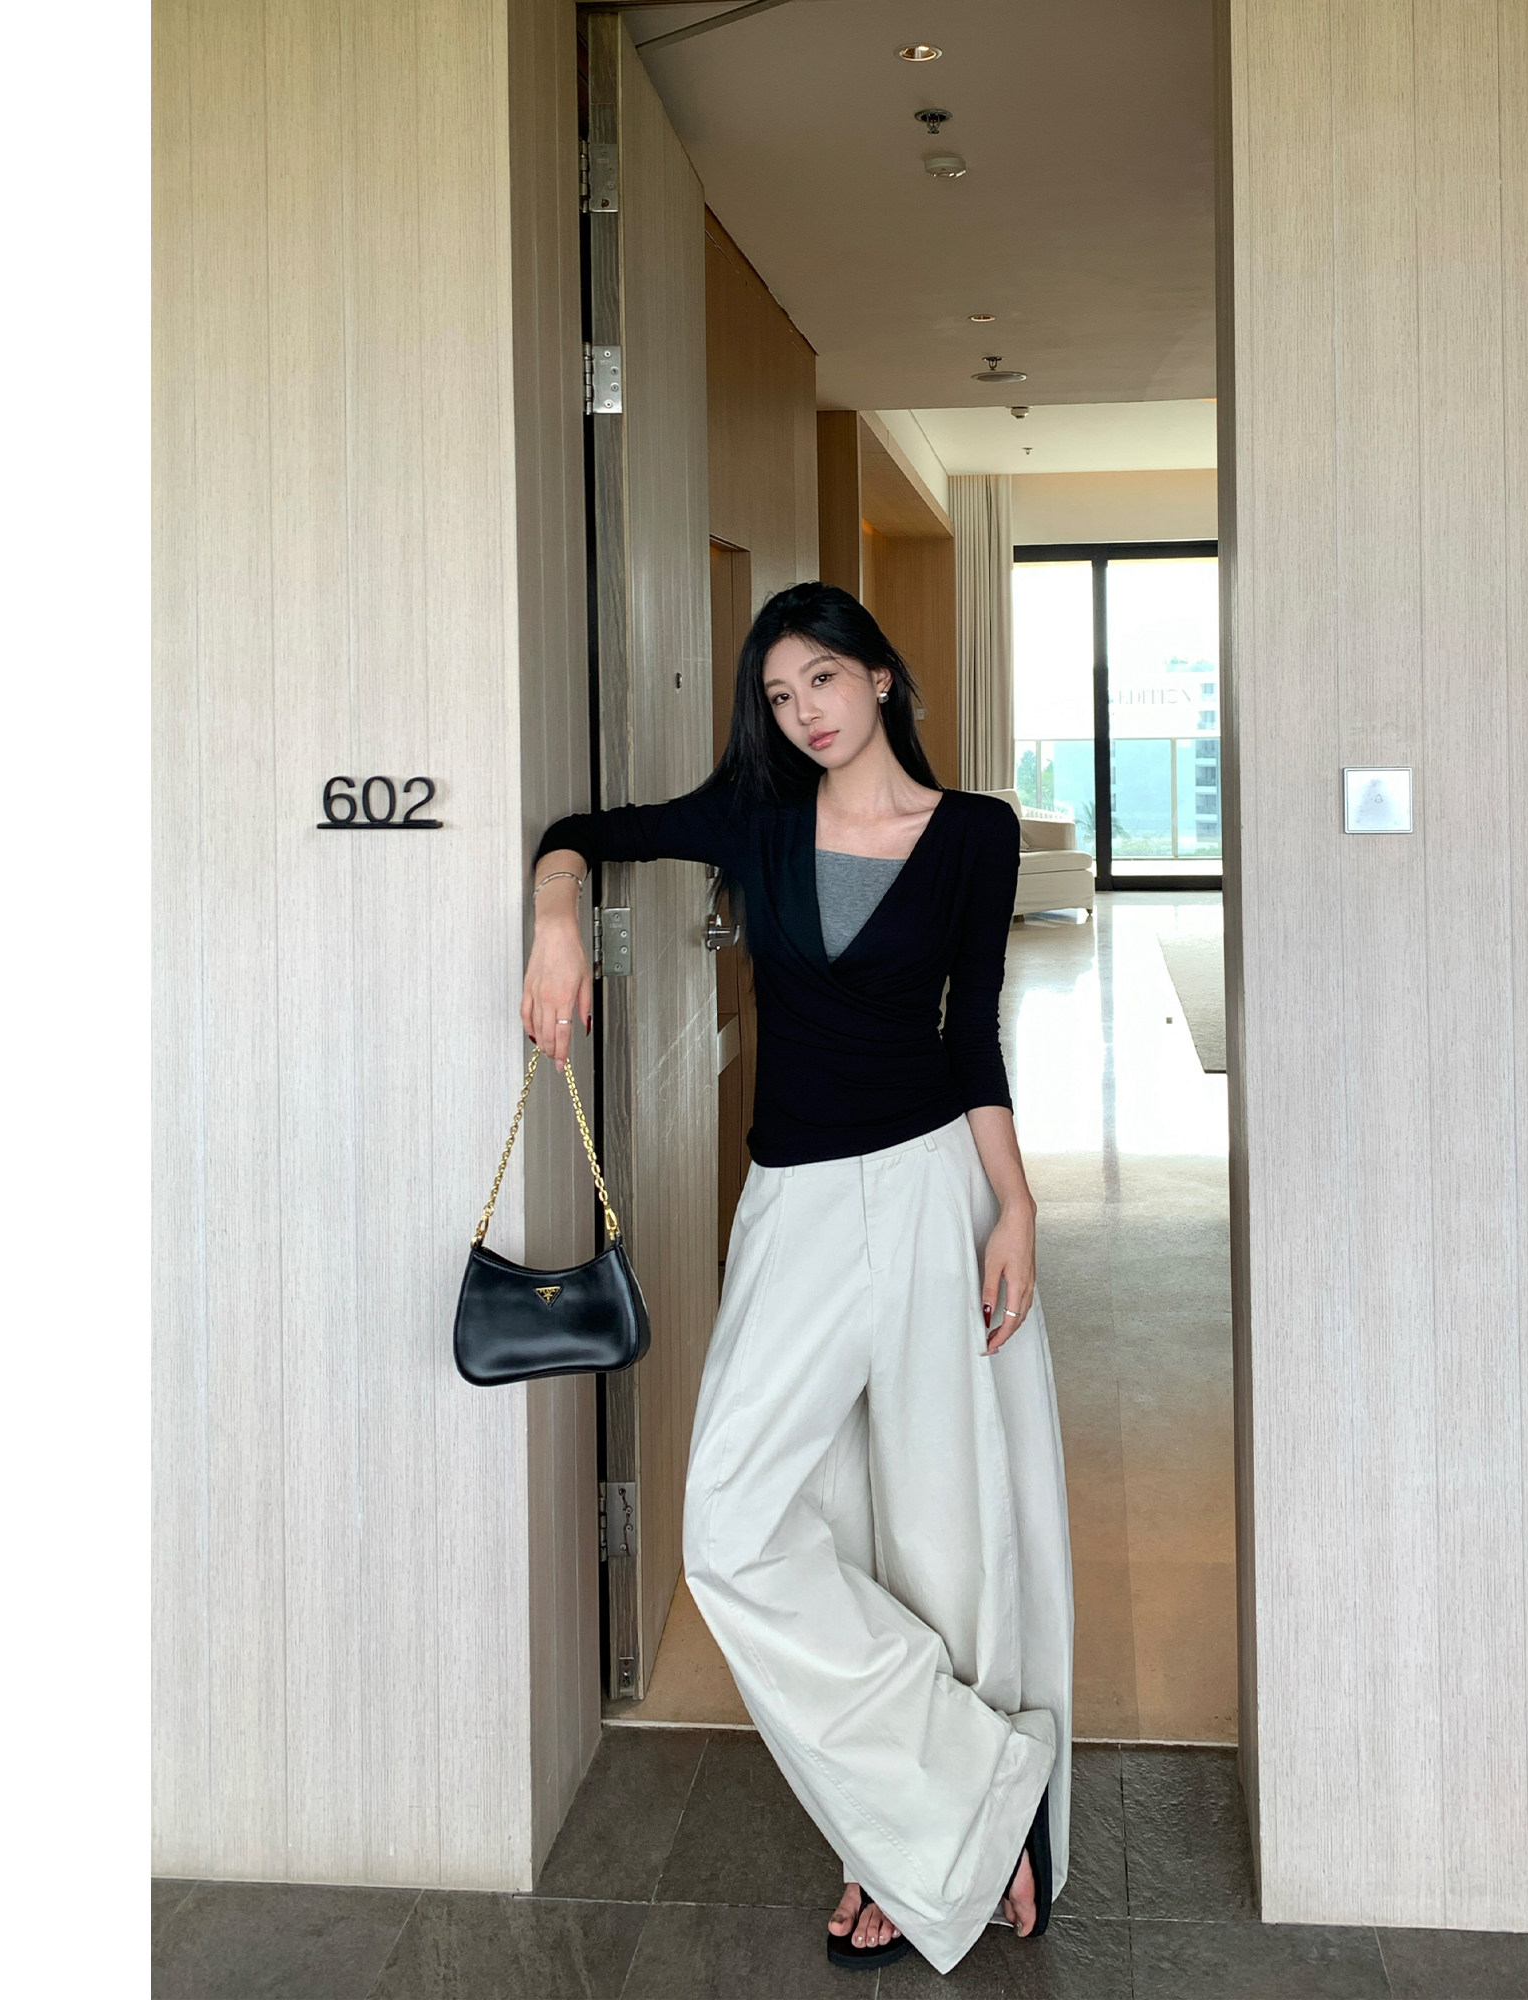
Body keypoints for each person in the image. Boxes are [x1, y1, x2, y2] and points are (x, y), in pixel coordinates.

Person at [521, 582, 1074, 1975]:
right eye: (778, 696)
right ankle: (968, 1793)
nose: (804, 712)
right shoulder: (754, 821)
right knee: (734, 1525)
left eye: (823, 678)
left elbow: (973, 1035)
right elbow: (579, 833)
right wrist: (554, 916)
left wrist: (1013, 1202)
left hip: (936, 1184)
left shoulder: (976, 835)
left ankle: (905, 1848)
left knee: (940, 1527)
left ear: (881, 676)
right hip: (795, 1205)